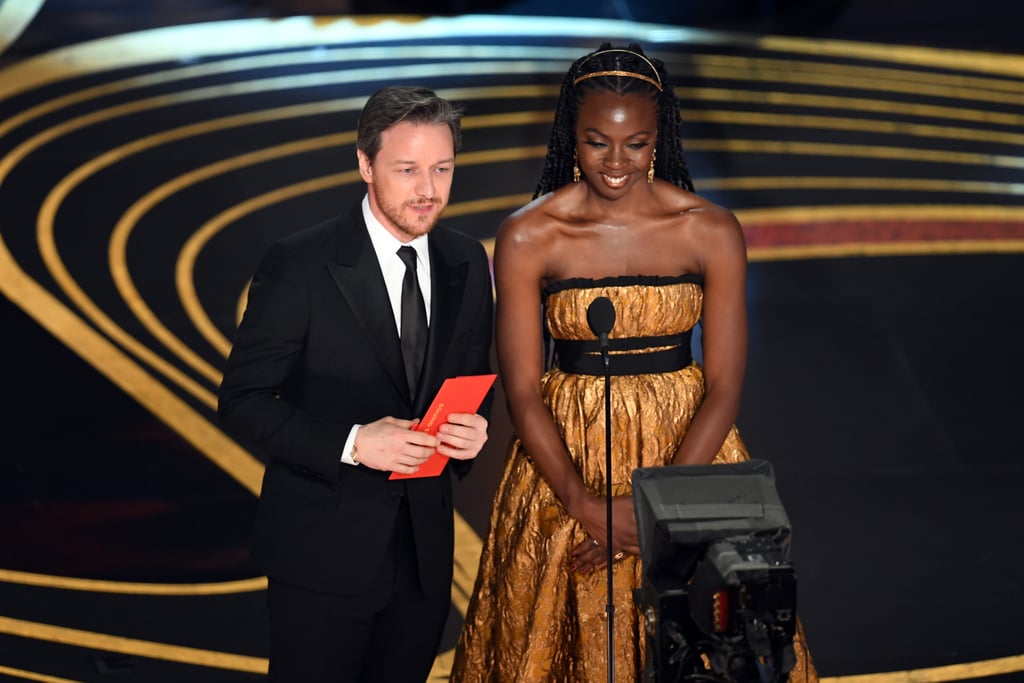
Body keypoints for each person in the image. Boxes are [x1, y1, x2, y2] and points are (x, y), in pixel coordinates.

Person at [450, 44, 817, 681]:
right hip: (565, 471)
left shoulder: (710, 230)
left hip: (689, 461)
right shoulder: (528, 236)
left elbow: (725, 385)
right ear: (572, 135)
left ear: (659, 139)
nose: (616, 163)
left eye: (636, 144)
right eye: (597, 142)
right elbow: (523, 392)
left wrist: (656, 517)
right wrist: (585, 503)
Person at [218, 85, 494, 682]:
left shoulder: (468, 261)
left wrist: (473, 434)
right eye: (408, 169)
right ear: (365, 165)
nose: (429, 189)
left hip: (424, 559)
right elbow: (242, 402)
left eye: (442, 168)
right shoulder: (298, 264)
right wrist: (352, 443)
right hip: (321, 555)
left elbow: (471, 383)